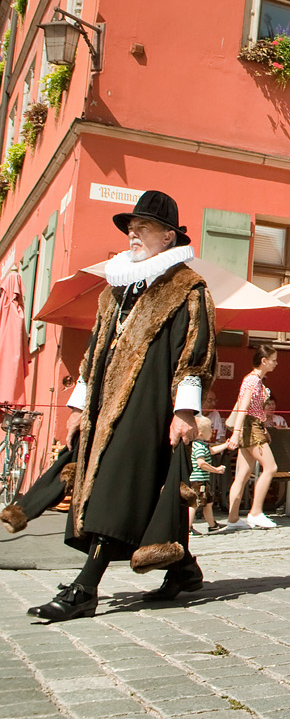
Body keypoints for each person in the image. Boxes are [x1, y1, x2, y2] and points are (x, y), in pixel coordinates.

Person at [4, 191, 216, 619]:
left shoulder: (187, 289)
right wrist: (79, 406)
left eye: (142, 227)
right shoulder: (113, 293)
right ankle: (183, 569)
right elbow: (92, 356)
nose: (132, 233)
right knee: (145, 489)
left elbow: (196, 353)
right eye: (130, 227)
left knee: (117, 487)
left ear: (168, 235)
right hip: (103, 408)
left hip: (151, 405)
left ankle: (86, 587)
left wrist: (184, 410)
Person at [225, 346, 280, 531]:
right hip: (251, 427)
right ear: (264, 361)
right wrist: (236, 432)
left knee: (243, 474)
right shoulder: (252, 381)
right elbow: (243, 407)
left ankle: (233, 519)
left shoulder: (254, 381)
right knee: (271, 467)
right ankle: (255, 512)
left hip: (253, 426)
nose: (276, 363)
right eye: (273, 360)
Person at [190, 416, 226, 534]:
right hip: (199, 481)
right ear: (200, 433)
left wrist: (226, 445)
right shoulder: (199, 447)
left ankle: (212, 525)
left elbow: (213, 451)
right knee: (194, 504)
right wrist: (215, 470)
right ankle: (188, 528)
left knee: (208, 503)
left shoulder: (202, 445)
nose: (212, 432)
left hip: (204, 480)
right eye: (209, 430)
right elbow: (201, 463)